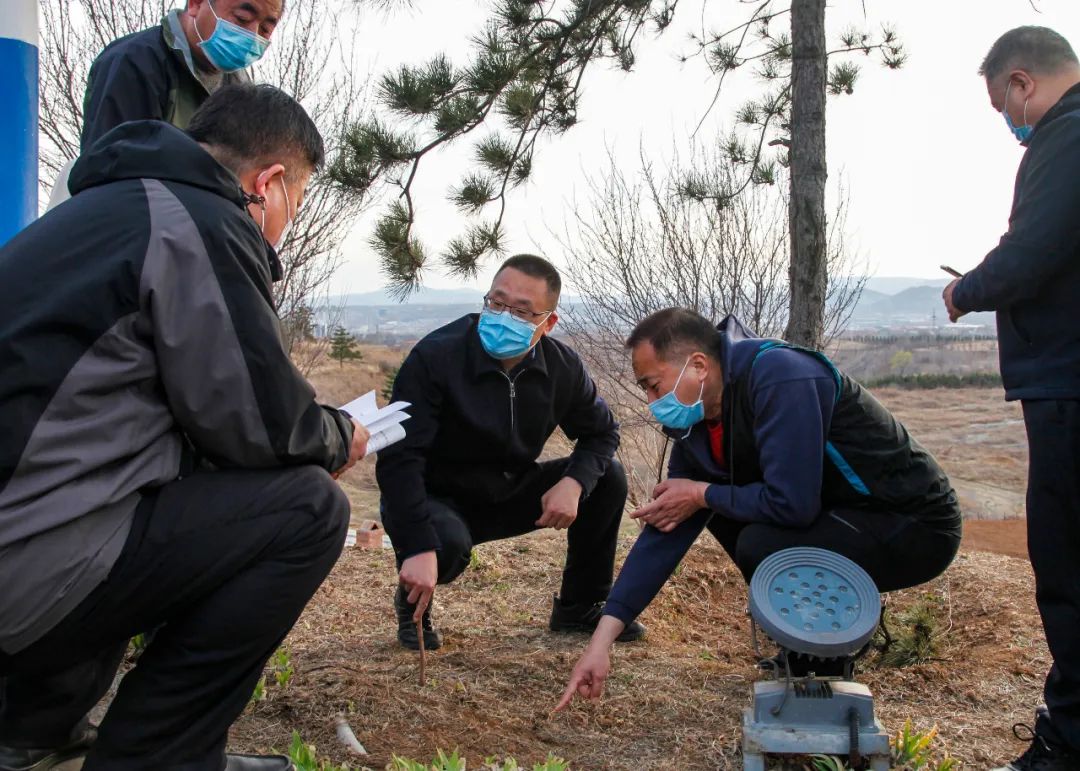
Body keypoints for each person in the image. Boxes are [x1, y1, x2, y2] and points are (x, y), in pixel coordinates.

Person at [0, 83, 367, 771]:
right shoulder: (197, 219)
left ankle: (31, 732)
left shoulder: (98, 212)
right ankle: (163, 756)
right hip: (27, 572)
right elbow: (262, 424)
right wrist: (338, 435)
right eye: (301, 200)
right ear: (272, 182)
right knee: (308, 509)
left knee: (146, 483)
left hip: (21, 540)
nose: (290, 218)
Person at [556, 308, 961, 711]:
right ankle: (808, 651)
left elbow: (793, 505)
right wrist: (600, 643)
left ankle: (823, 656)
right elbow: (665, 532)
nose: (651, 401)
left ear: (698, 365)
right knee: (711, 506)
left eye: (654, 385)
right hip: (840, 518)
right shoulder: (696, 427)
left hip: (912, 525)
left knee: (753, 534)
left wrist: (702, 494)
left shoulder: (781, 376)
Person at [375, 254, 645, 650]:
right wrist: (416, 545)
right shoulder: (436, 357)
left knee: (606, 477)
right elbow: (400, 459)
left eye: (521, 311)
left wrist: (573, 482)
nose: (503, 316)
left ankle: (580, 606)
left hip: (508, 490)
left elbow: (602, 432)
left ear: (548, 323)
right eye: (497, 303)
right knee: (442, 543)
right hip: (439, 498)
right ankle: (414, 602)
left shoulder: (562, 367)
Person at [942, 26, 1080, 771]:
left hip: (1069, 385)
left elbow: (1033, 250)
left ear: (1022, 83)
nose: (1008, 119)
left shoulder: (1066, 136)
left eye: (1003, 103)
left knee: (1065, 566)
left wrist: (968, 289)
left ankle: (1067, 745)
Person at [46, 1, 283, 211]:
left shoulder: (242, 94)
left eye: (265, 29)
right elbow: (108, 173)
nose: (252, 35)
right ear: (196, 3)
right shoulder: (133, 63)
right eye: (242, 19)